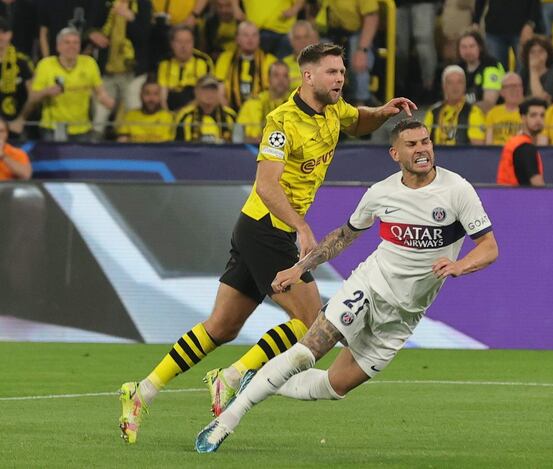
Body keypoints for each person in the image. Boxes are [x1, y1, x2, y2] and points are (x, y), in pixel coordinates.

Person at [118, 42, 416, 444]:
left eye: (342, 72)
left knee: (221, 326)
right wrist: (301, 226)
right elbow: (267, 184)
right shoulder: (282, 122)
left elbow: (357, 121)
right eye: (332, 72)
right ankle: (233, 375)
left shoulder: (333, 110)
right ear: (307, 76)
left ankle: (143, 391)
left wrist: (381, 113)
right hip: (267, 228)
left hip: (256, 228)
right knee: (311, 322)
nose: (340, 78)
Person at [194, 119, 499, 453]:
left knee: (334, 386)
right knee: (304, 355)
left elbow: (488, 247)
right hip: (369, 287)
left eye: (426, 142)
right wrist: (299, 268)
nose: (422, 149)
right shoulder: (382, 193)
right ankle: (225, 422)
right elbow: (343, 236)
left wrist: (459, 265)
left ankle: (257, 379)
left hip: (403, 316)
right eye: (412, 145)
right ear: (395, 153)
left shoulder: (457, 190)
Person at [13, 27, 116, 142]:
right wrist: (46, 92)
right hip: (53, 127)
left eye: (75, 42)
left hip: (82, 127)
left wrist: (104, 98)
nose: (71, 46)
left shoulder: (89, 63)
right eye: (67, 42)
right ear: (58, 47)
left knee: (79, 159)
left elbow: (100, 91)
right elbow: (33, 98)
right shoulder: (46, 65)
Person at [87, 0, 153, 138]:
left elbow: (146, 36)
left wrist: (132, 19)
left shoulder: (143, 4)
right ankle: (93, 152)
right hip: (106, 72)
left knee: (133, 116)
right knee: (99, 119)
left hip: (133, 74)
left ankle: (134, 155)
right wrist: (91, 34)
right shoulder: (103, 3)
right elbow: (90, 25)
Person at [323, 0, 379, 106]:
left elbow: (372, 17)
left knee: (359, 59)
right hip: (329, 32)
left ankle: (360, 105)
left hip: (357, 33)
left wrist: (362, 50)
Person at [214, 21, 270, 112]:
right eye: (246, 35)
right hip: (231, 112)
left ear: (259, 39)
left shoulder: (269, 60)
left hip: (260, 115)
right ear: (237, 39)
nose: (250, 39)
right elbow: (220, 90)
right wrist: (229, 114)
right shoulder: (225, 58)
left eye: (254, 35)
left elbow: (272, 93)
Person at [423, 65, 485, 145]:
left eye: (459, 82)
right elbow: (423, 141)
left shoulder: (473, 111)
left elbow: (477, 148)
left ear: (465, 86)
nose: (455, 87)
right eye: (450, 83)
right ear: (444, 86)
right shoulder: (433, 112)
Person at [157, 25, 214, 111]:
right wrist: (167, 113)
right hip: (169, 109)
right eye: (179, 42)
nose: (183, 46)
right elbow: (162, 95)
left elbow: (204, 93)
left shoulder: (203, 62)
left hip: (195, 109)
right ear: (171, 44)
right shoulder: (164, 63)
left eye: (188, 42)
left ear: (193, 43)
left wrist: (184, 113)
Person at [472, 0, 542, 67]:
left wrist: (530, 23)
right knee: (496, 68)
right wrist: (476, 21)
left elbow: (535, 2)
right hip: (494, 31)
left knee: (523, 68)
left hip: (521, 30)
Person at [237, 61, 291, 143]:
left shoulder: (296, 104)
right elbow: (238, 136)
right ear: (268, 79)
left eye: (285, 76)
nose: (281, 80)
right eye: (276, 75)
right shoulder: (252, 103)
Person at [497, 97, 546, 187]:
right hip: (518, 198)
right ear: (523, 118)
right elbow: (538, 185)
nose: (538, 119)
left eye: (542, 115)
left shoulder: (515, 143)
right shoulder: (525, 148)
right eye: (533, 115)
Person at [395, 0, 439, 97]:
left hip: (424, 3)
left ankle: (429, 88)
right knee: (400, 49)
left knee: (424, 45)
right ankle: (398, 86)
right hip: (399, 4)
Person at [230, 0, 304, 59]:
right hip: (256, 32)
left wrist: (294, 10)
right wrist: (235, 8)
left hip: (283, 32)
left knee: (282, 69)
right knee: (258, 68)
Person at [175, 75, 238, 143]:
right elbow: (176, 147)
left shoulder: (230, 115)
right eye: (205, 89)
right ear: (196, 92)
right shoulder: (185, 115)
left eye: (213, 89)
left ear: (218, 92)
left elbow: (240, 146)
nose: (209, 94)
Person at [456, 31, 505, 113]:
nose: (468, 51)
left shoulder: (491, 66)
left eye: (472, 46)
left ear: (480, 47)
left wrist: (462, 109)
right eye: (464, 47)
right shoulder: (457, 68)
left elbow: (489, 104)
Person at [0, 18, 34, 129]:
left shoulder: (22, 61)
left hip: (16, 125)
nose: (1, 37)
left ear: (11, 34)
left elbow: (32, 95)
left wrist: (21, 119)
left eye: (4, 32)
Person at [485, 72, 524, 145]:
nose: (516, 90)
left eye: (519, 86)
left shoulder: (529, 113)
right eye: (511, 86)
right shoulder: (493, 113)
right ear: (502, 92)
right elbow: (488, 144)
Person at [520, 36, 553, 103]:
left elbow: (541, 101)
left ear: (548, 54)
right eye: (532, 52)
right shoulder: (524, 71)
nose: (536, 55)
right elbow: (517, 99)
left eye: (541, 51)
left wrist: (533, 70)